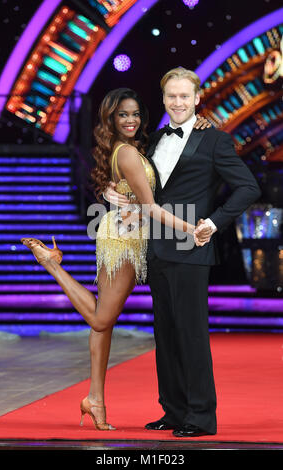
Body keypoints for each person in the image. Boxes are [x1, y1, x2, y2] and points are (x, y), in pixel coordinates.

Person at [21, 88, 212, 431]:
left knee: (104, 323)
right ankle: (52, 265)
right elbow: (152, 206)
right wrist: (192, 228)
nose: (131, 120)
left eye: (136, 113)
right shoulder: (126, 153)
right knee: (101, 318)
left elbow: (145, 200)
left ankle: (95, 400)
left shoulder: (136, 148)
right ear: (111, 118)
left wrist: (198, 124)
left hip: (131, 232)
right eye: (123, 114)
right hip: (122, 239)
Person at [104, 68, 262, 437]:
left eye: (184, 96)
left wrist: (214, 221)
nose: (178, 102)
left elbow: (248, 187)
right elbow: (147, 195)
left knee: (191, 333)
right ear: (163, 100)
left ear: (196, 99)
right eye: (171, 96)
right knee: (167, 333)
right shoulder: (155, 138)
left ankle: (201, 417)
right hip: (156, 245)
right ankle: (173, 411)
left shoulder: (215, 141)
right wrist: (118, 195)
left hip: (193, 245)